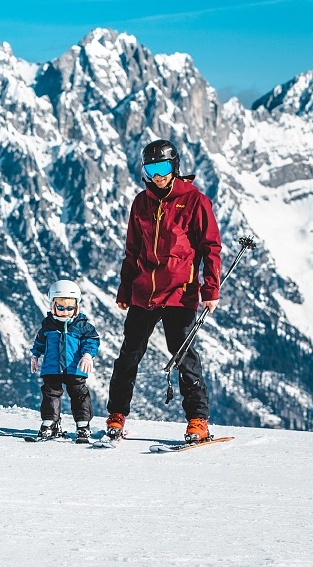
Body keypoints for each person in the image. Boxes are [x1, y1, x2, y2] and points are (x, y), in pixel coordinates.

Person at [106, 139, 222, 443]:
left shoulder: (196, 201)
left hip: (180, 292)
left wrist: (211, 289)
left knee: (183, 355)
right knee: (129, 354)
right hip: (144, 291)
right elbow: (132, 250)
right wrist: (125, 288)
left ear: (175, 167)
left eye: (163, 167)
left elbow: (211, 248)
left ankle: (198, 419)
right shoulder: (140, 203)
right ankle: (117, 415)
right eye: (151, 168)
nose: (157, 175)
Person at [30, 280, 100, 443]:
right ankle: (50, 422)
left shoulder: (82, 326)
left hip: (74, 368)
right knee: (50, 394)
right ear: (52, 305)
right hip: (52, 368)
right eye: (60, 307)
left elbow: (92, 340)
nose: (65, 311)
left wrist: (88, 355)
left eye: (69, 307)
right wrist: (35, 354)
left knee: (79, 394)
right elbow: (40, 341)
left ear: (76, 306)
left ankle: (83, 425)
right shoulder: (48, 325)